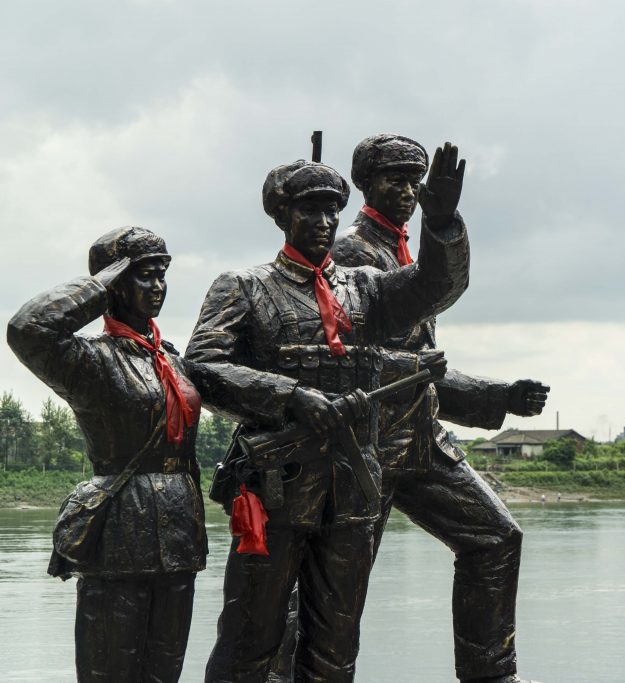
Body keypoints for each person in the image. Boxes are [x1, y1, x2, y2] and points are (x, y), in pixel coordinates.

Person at [187, 144, 470, 682]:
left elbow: (436, 287)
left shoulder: (367, 287)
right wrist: (288, 395)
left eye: (330, 212)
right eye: (308, 211)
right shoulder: (244, 287)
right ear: (282, 216)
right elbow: (201, 366)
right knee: (252, 635)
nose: (322, 223)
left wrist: (441, 222)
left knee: (337, 642)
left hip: (352, 485)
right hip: (278, 484)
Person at [335, 133, 548, 683]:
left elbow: (421, 365)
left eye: (415, 179)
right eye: (394, 179)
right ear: (365, 184)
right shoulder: (349, 256)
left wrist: (497, 396)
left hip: (423, 441)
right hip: (367, 445)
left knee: (496, 538)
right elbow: (418, 317)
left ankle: (490, 673)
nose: (407, 190)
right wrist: (443, 226)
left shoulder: (404, 245)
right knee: (338, 585)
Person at [7, 227, 207, 683]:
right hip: (119, 531)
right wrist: (100, 281)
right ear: (115, 283)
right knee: (109, 669)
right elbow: (28, 328)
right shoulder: (89, 361)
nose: (157, 287)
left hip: (180, 531)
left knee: (164, 669)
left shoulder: (172, 360)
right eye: (143, 277)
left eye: (162, 276)